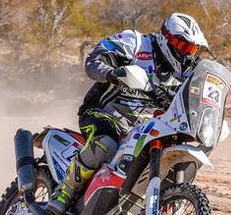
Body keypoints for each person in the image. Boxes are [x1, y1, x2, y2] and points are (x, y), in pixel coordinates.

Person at [46, 13, 209, 215]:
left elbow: (201, 91)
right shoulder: (135, 43)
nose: (186, 54)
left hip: (146, 126)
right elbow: (94, 60)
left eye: (191, 49)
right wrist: (112, 73)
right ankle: (64, 192)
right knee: (106, 144)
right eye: (182, 46)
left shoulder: (187, 69)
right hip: (103, 113)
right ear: (166, 38)